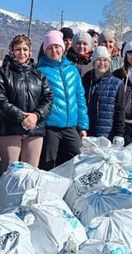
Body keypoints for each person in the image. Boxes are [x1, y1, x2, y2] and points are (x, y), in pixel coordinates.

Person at [0, 35, 53, 171]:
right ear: (12, 51)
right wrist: (21, 117)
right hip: (9, 129)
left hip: (35, 129)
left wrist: (36, 116)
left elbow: (48, 98)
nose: (22, 53)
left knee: (30, 172)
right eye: (18, 49)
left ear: (30, 52)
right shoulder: (1, 73)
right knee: (10, 172)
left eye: (25, 49)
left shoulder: (39, 75)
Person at [37, 30, 89, 170]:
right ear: (45, 50)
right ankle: (45, 191)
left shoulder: (72, 70)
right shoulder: (40, 71)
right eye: (50, 47)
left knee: (79, 159)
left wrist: (83, 126)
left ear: (63, 48)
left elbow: (80, 98)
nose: (54, 50)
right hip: (50, 127)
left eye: (57, 46)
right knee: (47, 164)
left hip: (70, 126)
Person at [82, 46, 126, 144]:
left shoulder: (117, 84)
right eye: (99, 60)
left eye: (105, 60)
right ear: (93, 62)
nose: (102, 63)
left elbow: (120, 110)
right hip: (87, 132)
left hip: (107, 134)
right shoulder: (85, 81)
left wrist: (119, 133)